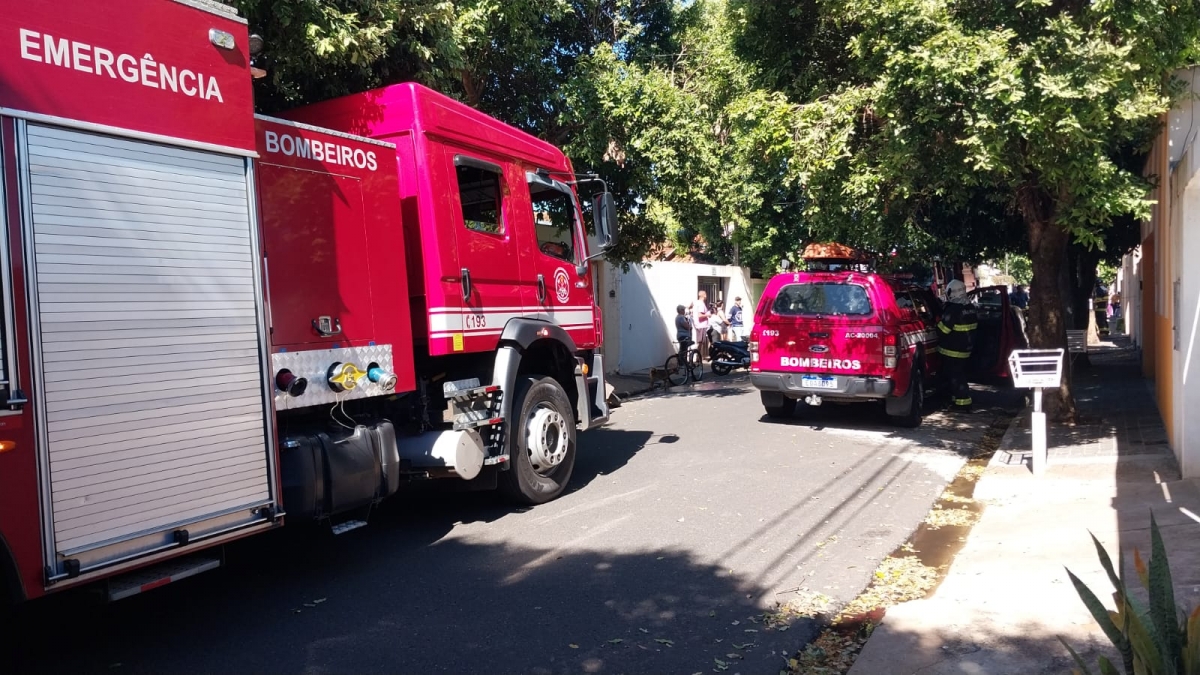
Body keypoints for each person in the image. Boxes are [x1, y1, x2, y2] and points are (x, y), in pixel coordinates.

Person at [937, 279, 979, 412]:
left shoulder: (953, 309)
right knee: (959, 375)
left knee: (955, 377)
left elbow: (943, 330)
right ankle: (958, 401)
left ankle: (962, 404)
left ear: (952, 292)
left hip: (952, 350)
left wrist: (937, 323)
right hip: (966, 349)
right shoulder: (970, 308)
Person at [691, 291, 711, 362]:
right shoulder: (701, 304)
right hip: (701, 325)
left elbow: (691, 305)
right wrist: (708, 315)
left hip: (698, 325)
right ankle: (696, 357)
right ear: (704, 295)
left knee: (700, 342)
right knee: (700, 342)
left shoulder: (696, 302)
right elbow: (700, 315)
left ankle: (697, 357)